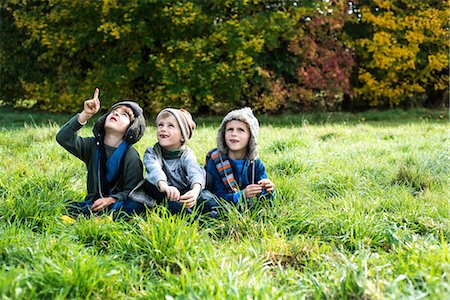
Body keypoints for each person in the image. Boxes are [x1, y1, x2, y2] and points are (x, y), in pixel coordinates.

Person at [56, 88, 147, 220]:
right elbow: (63, 138)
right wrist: (85, 114)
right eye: (114, 111)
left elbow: (133, 190)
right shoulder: (92, 146)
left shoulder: (131, 155)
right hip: (94, 202)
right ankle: (96, 215)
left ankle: (105, 217)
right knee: (69, 207)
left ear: (132, 128)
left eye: (124, 114)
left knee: (132, 207)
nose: (116, 113)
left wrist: (111, 199)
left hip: (117, 203)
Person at [138, 108, 218, 217]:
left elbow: (194, 170)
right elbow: (154, 170)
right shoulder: (152, 152)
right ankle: (193, 218)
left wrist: (194, 191)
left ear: (182, 136)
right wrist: (165, 187)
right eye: (160, 125)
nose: (163, 129)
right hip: (163, 192)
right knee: (162, 197)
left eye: (170, 126)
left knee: (207, 197)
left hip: (184, 190)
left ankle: (218, 212)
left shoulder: (186, 154)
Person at [205, 107, 275, 209]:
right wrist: (241, 195)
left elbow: (266, 199)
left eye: (240, 130)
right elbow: (217, 196)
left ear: (251, 137)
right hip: (219, 207)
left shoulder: (255, 163)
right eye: (230, 129)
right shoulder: (215, 161)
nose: (234, 134)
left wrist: (270, 190)